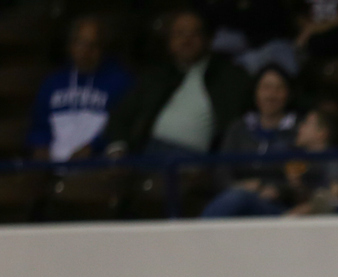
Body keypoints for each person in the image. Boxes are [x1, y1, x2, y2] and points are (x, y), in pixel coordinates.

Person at [105, 9, 251, 159]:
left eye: (194, 34)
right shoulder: (157, 75)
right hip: (147, 151)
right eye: (179, 34)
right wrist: (118, 147)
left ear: (207, 39)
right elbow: (121, 115)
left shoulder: (229, 76)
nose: (186, 40)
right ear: (169, 41)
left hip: (193, 159)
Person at [27, 16, 132, 163]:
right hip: (52, 165)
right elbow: (39, 125)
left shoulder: (119, 81)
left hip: (97, 165)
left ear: (103, 48)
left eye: (93, 45)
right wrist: (41, 148)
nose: (86, 51)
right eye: (80, 43)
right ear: (70, 46)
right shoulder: (52, 83)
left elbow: (120, 127)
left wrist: (94, 148)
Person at [202, 66, 298, 218]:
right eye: (266, 88)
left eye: (279, 88)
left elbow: (303, 177)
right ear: (256, 92)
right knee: (236, 198)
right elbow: (222, 170)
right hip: (235, 199)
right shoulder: (238, 128)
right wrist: (238, 186)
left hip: (278, 207)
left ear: (288, 93)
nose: (271, 95)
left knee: (238, 198)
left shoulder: (299, 131)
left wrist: (276, 189)